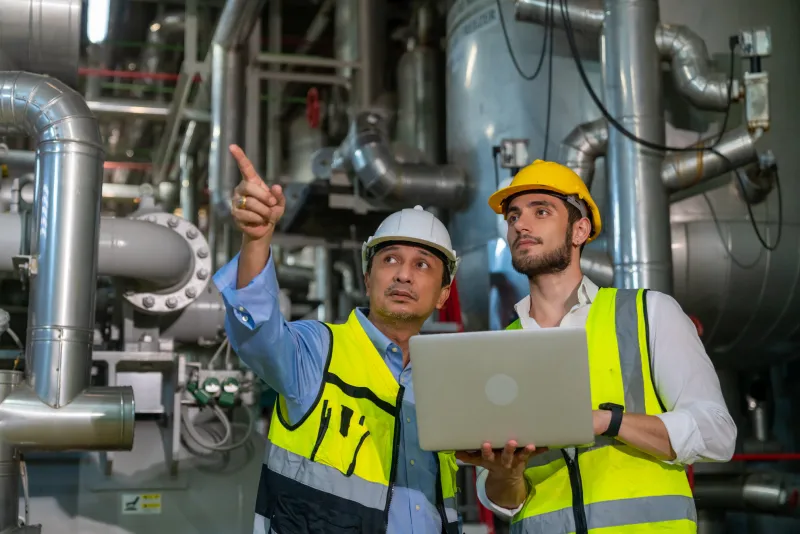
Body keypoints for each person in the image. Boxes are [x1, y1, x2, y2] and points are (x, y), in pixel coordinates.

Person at [456, 160, 737, 533]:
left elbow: (717, 434)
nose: (521, 225)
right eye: (513, 216)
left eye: (541, 211)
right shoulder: (499, 348)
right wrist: (506, 473)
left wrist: (608, 421)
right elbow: (507, 502)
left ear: (580, 230)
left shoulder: (648, 313)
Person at [213, 144, 462, 534]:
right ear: (367, 277)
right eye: (390, 259)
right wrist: (257, 240)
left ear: (443, 294)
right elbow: (257, 333)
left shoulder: (443, 383)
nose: (403, 275)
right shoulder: (317, 351)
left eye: (422, 265)